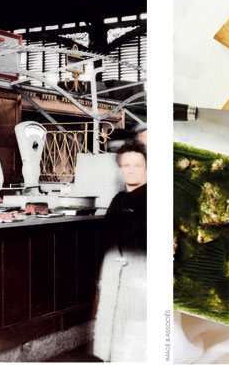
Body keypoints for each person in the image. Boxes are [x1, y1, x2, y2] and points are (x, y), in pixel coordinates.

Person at [91, 139, 147, 362]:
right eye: (126, 166)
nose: (131, 170)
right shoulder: (118, 200)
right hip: (115, 279)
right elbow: (106, 239)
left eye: (137, 165)